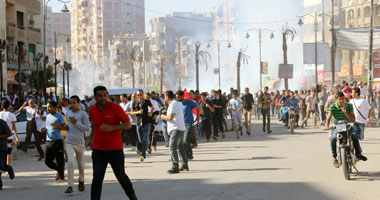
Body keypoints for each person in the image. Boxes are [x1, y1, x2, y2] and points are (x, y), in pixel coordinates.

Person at [87, 86, 137, 200]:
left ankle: (132, 197)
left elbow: (128, 124)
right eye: (100, 96)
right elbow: (95, 126)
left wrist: (112, 127)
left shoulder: (115, 108)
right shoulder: (92, 110)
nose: (103, 98)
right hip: (98, 150)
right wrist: (90, 139)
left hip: (115, 150)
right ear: (95, 97)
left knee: (121, 176)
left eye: (105, 95)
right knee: (97, 178)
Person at [324, 92, 367, 168]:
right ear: (336, 99)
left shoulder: (349, 105)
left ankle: (358, 153)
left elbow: (353, 119)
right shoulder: (332, 106)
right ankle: (334, 157)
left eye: (343, 99)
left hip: (348, 125)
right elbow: (328, 118)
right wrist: (326, 126)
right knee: (333, 139)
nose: (341, 101)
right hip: (337, 126)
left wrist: (345, 111)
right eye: (340, 99)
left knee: (354, 135)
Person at [64, 96, 91, 194]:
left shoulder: (83, 114)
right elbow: (69, 125)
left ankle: (81, 180)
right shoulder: (68, 113)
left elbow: (87, 128)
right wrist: (66, 127)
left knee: (80, 164)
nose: (71, 105)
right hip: (69, 141)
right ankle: (70, 185)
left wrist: (76, 123)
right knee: (70, 162)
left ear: (78, 103)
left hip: (79, 142)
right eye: (70, 103)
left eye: (73, 102)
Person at [159, 91, 188, 174]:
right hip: (178, 128)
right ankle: (184, 164)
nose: (164, 98)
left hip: (176, 128)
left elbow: (170, 117)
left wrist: (162, 116)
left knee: (172, 146)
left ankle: (175, 165)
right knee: (180, 146)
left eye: (164, 96)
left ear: (167, 97)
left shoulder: (173, 104)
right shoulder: (173, 104)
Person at [45, 101, 67, 183]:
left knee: (60, 159)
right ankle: (59, 170)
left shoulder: (59, 116)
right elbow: (49, 127)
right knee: (47, 161)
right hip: (48, 141)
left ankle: (61, 176)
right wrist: (44, 129)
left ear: (55, 108)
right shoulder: (48, 116)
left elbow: (65, 127)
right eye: (47, 107)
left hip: (57, 141)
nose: (48, 108)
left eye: (50, 106)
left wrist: (57, 126)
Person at [131, 89, 154, 162]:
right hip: (138, 123)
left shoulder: (147, 101)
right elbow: (132, 112)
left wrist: (151, 113)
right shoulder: (134, 102)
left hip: (145, 122)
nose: (139, 96)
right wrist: (138, 112)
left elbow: (152, 107)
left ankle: (143, 155)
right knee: (140, 139)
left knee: (144, 140)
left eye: (140, 94)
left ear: (143, 95)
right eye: (138, 95)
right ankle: (141, 150)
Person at [176, 90, 199, 160]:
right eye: (176, 97)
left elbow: (198, 108)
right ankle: (188, 154)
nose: (177, 98)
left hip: (189, 124)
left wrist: (197, 118)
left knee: (185, 140)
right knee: (183, 141)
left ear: (183, 96)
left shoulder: (189, 102)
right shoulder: (177, 103)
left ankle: (189, 154)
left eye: (178, 97)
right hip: (181, 124)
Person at [0, 100, 19, 166]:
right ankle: (8, 166)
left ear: (2, 106)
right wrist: (17, 138)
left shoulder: (0, 114)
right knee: (9, 152)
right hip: (9, 137)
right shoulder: (12, 115)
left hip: (1, 137)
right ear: (9, 106)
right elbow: (14, 128)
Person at [0, 119, 15, 190]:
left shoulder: (2, 122)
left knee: (2, 166)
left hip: (2, 147)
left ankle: (9, 169)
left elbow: (9, 133)